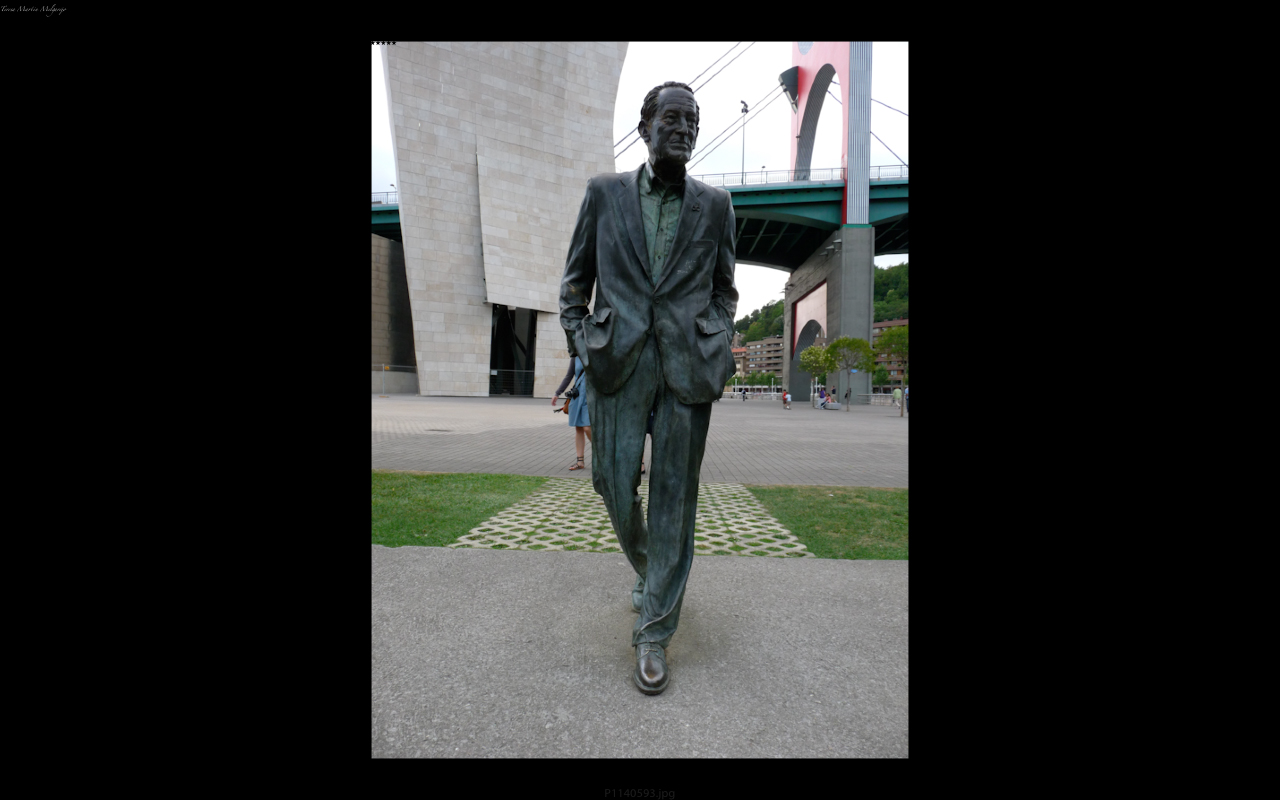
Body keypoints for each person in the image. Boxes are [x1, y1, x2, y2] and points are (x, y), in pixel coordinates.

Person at [560, 80, 737, 696]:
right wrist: (582, 341)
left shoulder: (716, 205)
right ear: (645, 127)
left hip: (687, 367)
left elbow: (725, 290)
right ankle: (652, 568)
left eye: (693, 121)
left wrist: (717, 337)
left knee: (674, 501)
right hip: (619, 362)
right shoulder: (603, 193)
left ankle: (655, 631)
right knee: (612, 483)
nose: (684, 129)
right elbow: (575, 283)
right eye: (672, 118)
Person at [552, 353, 592, 470]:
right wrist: (557, 393)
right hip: (577, 396)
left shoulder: (596, 352)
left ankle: (602, 452)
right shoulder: (576, 356)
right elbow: (569, 376)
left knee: (587, 427)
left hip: (591, 397)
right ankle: (580, 462)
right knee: (578, 428)